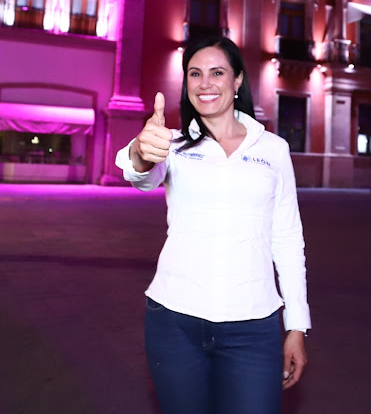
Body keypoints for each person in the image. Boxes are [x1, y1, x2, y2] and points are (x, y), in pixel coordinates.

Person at [115, 36, 310, 414]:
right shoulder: (171, 144)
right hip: (174, 322)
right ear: (186, 84)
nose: (205, 83)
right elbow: (137, 172)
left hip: (254, 326)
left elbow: (287, 239)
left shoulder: (272, 149)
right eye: (195, 73)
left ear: (237, 81)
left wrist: (297, 326)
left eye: (217, 72)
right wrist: (141, 151)